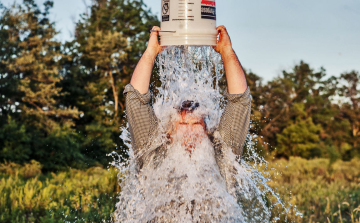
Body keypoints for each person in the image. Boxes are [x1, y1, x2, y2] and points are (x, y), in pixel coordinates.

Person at [122, 25, 252, 221]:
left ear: (207, 131)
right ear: (169, 133)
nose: (190, 133)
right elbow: (135, 99)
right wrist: (151, 52)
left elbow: (240, 100)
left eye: (196, 126)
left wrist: (227, 52)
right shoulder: (153, 154)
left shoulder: (223, 156)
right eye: (183, 126)